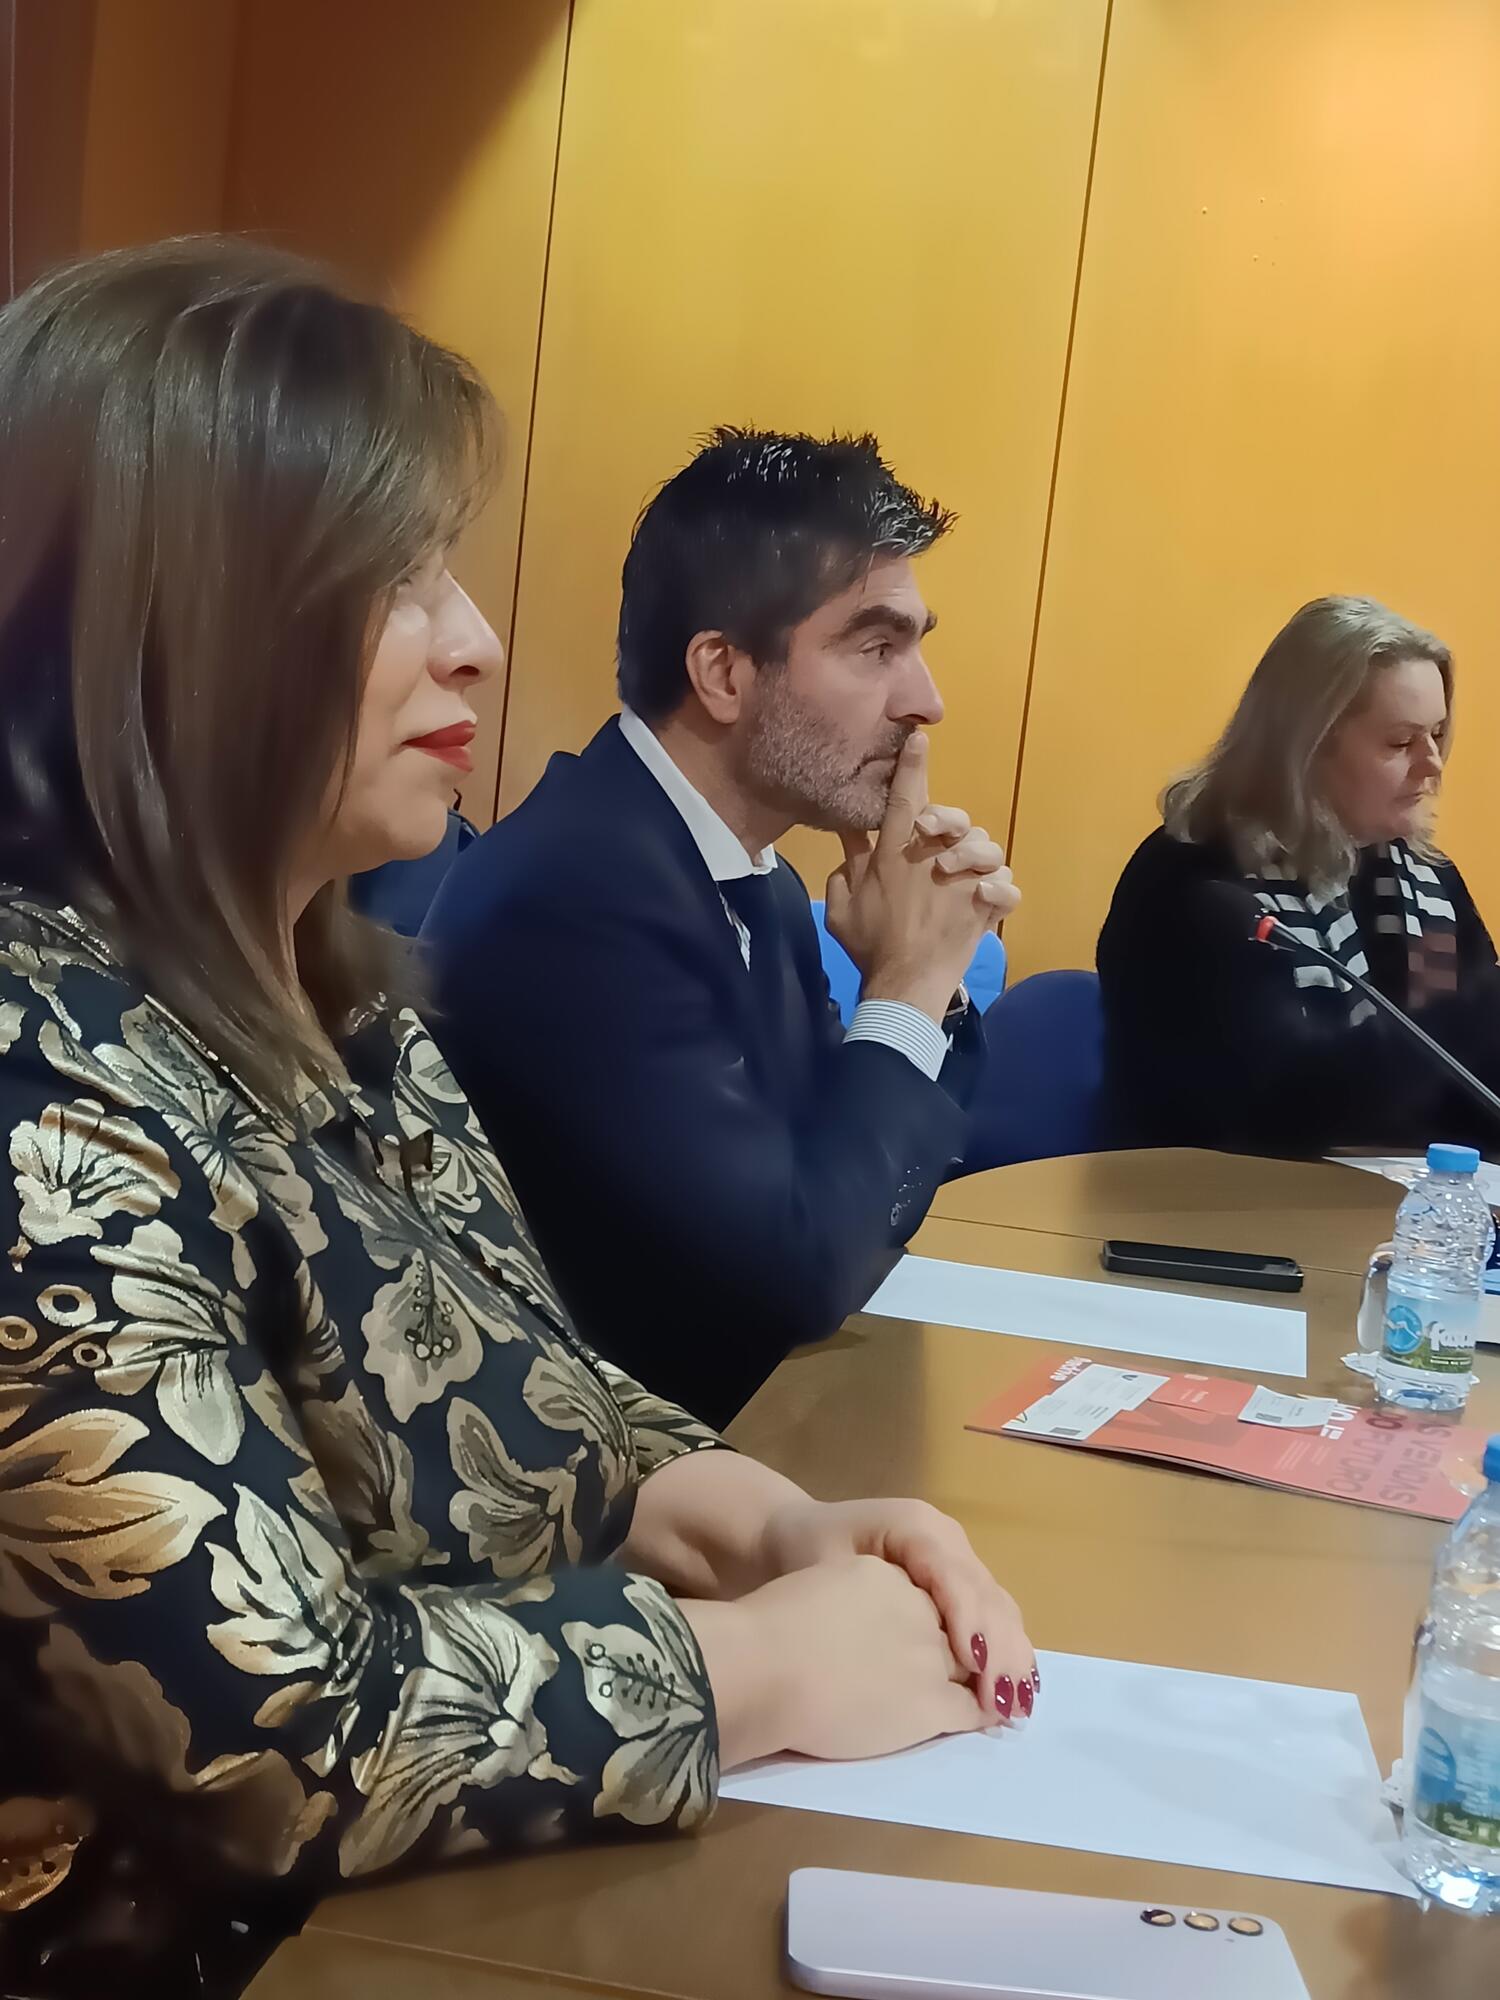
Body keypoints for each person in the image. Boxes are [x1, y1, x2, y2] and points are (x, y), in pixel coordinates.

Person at [0, 242, 1035, 1997]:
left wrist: (769, 1526)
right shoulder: (39, 1070)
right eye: (392, 580)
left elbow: (537, 1396)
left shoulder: (347, 1001)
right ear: (172, 623)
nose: (476, 639)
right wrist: (765, 1666)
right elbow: (280, 1741)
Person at [423, 429, 1017, 1426]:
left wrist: (927, 982)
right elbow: (794, 1274)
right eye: (877, 648)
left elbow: (860, 1203)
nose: (927, 702)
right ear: (725, 673)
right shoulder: (581, 893)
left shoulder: (752, 874)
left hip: (743, 1431)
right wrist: (909, 981)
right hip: (617, 1472)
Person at [1097, 594, 1500, 1155]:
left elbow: (1471, 1085)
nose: (1432, 765)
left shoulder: (1424, 880)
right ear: (1306, 748)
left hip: (1392, 1198)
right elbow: (1283, 1103)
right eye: (1401, 742)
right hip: (1208, 1197)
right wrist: (1476, 1011)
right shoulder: (1198, 880)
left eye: (1438, 735)